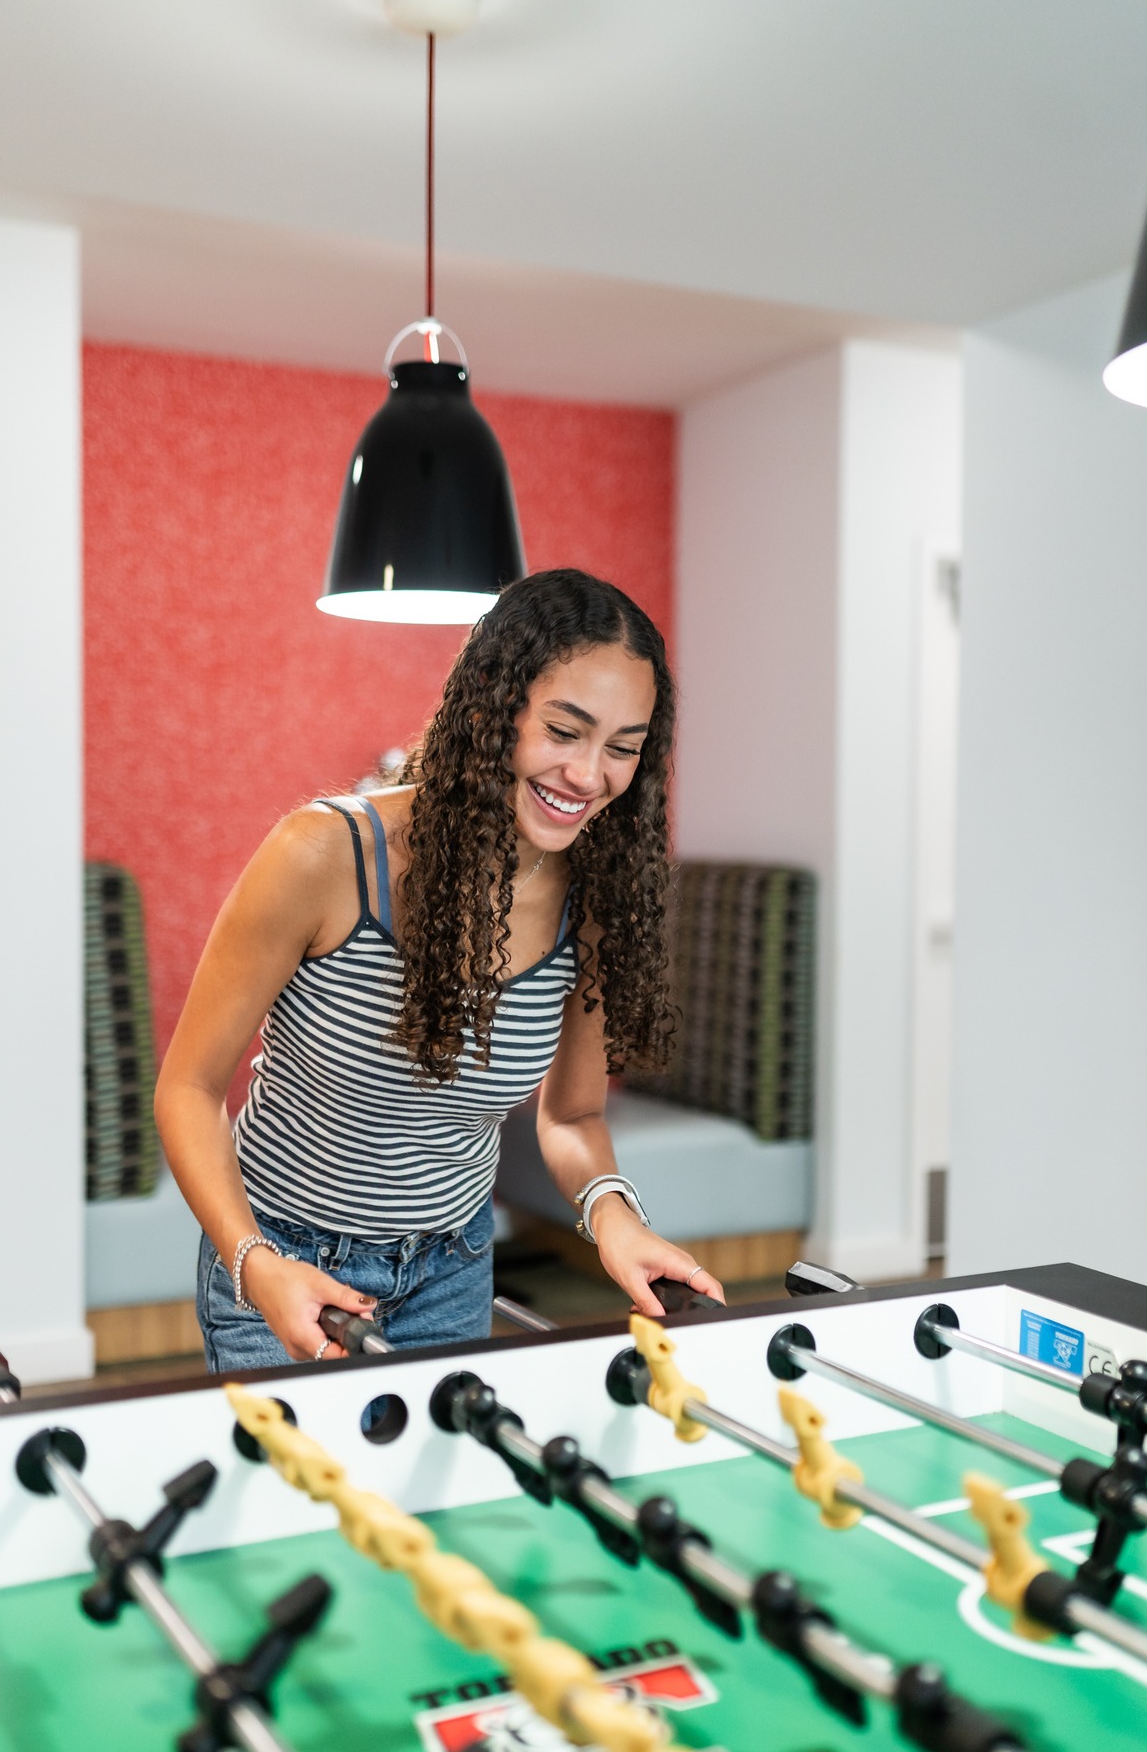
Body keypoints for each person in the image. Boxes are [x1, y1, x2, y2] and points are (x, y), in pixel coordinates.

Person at [155, 567, 725, 1372]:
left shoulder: (595, 898)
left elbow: (570, 1118)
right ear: (495, 706)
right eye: (564, 731)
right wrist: (254, 1264)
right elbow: (188, 1090)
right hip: (283, 1254)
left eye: (622, 748)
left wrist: (615, 1217)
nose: (589, 776)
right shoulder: (323, 855)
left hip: (452, 1268)